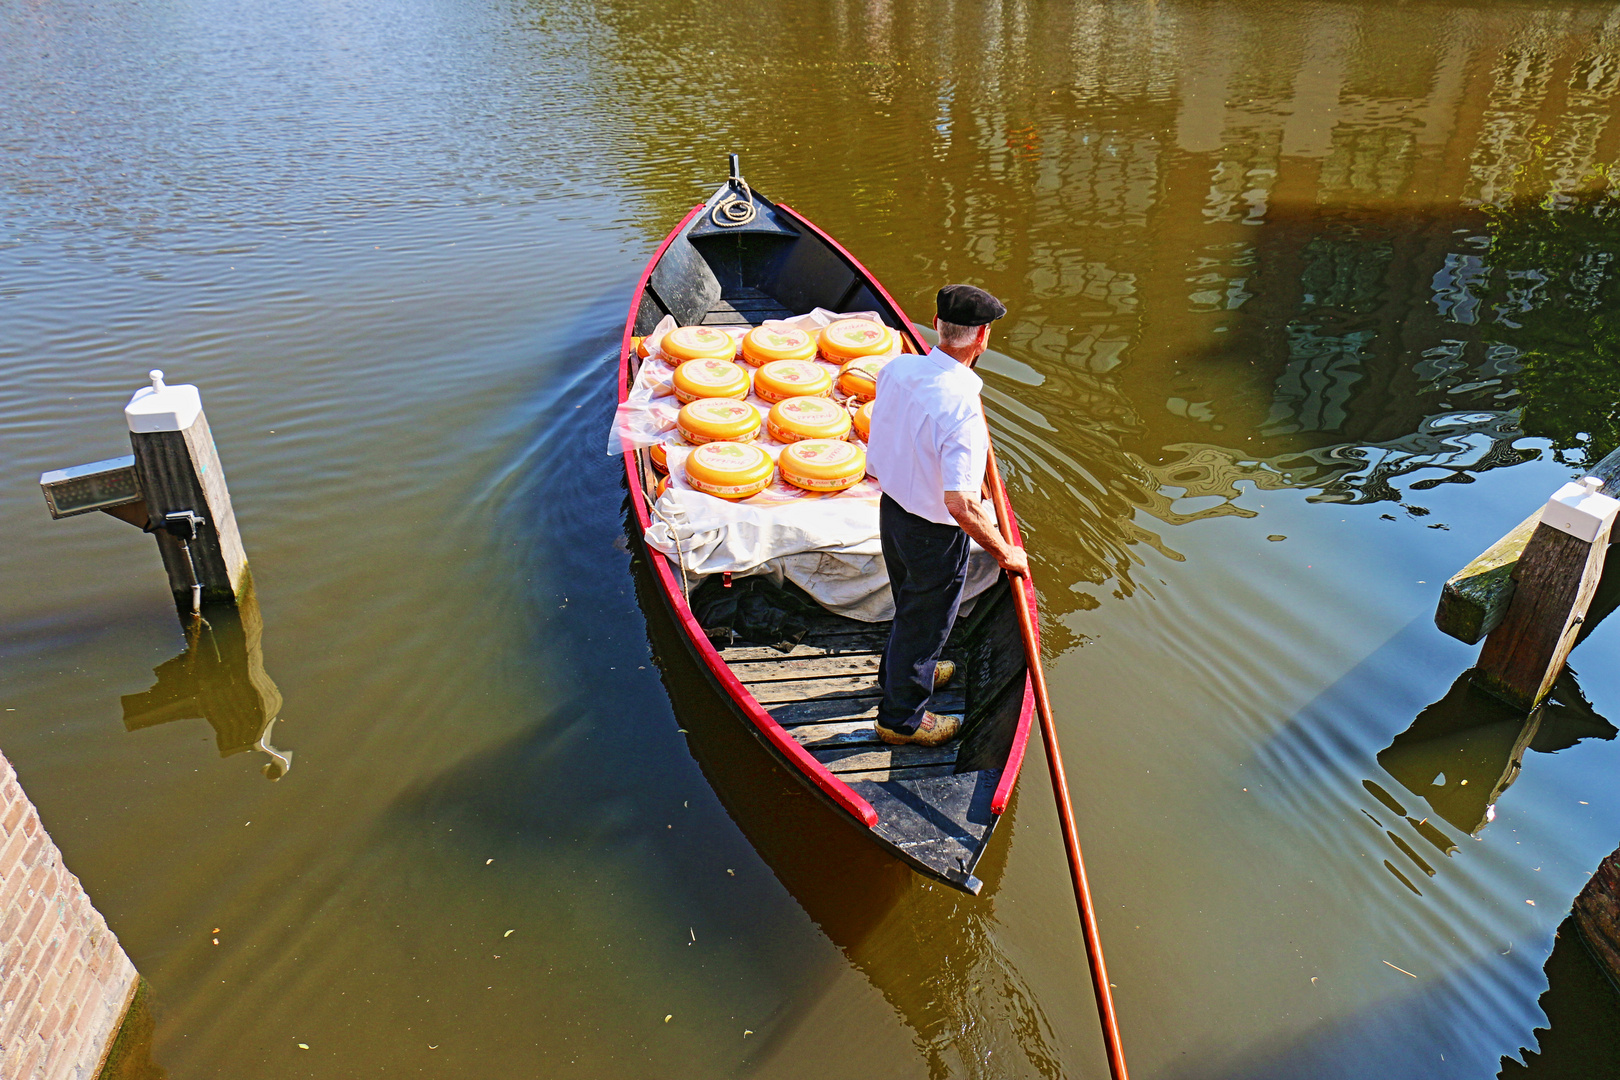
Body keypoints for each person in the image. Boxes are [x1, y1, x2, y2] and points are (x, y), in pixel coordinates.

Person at [864, 284, 1029, 747]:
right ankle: (901, 720)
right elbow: (960, 503)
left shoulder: (896, 369)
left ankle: (900, 672)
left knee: (910, 604)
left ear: (937, 325)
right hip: (932, 532)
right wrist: (1004, 551)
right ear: (982, 339)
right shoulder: (963, 409)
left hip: (892, 511)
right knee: (927, 618)